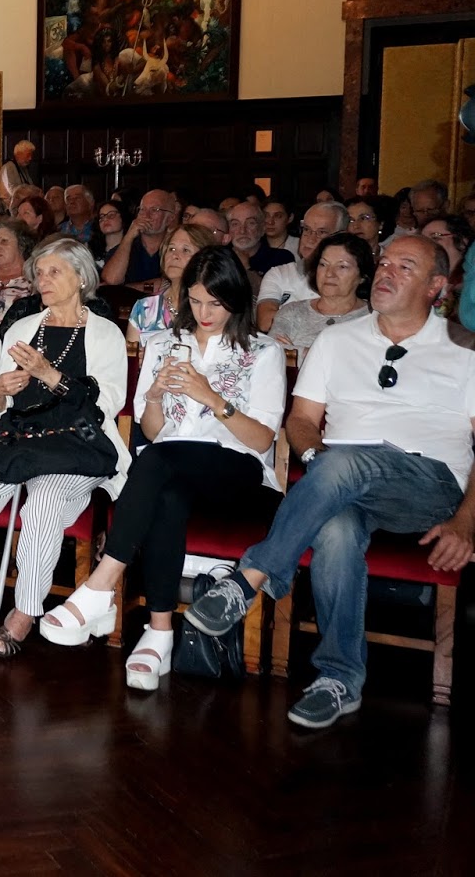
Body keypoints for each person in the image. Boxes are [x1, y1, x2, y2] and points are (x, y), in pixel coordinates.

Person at [185, 235, 475, 728]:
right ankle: (339, 678)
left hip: (429, 483)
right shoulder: (338, 340)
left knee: (345, 464)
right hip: (341, 478)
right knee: (336, 529)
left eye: (405, 267)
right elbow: (301, 421)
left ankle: (249, 578)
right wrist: (321, 463)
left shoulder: (464, 349)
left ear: (436, 287)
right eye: (384, 262)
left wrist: (467, 521)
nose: (386, 272)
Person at [40, 247, 286, 688]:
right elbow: (154, 432)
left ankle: (101, 586)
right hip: (169, 468)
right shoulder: (162, 344)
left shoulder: (263, 351)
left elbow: (262, 440)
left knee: (155, 463)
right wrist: (153, 397)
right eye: (195, 301)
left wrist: (210, 397)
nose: (204, 313)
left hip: (237, 471)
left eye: (215, 303)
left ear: (236, 300)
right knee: (165, 490)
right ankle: (159, 632)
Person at [0, 236, 129, 658]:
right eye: (39, 273)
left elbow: (107, 405)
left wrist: (48, 373)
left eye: (54, 272)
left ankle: (24, 612)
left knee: (43, 504)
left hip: (76, 442)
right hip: (20, 434)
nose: (43, 280)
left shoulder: (105, 333)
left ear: (81, 278)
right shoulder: (23, 328)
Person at [256, 201, 351, 331]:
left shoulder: (347, 278)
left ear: (341, 236)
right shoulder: (279, 273)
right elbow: (266, 322)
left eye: (321, 232)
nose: (310, 239)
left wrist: (286, 319)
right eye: (306, 229)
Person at [270, 233, 373, 351]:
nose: (329, 273)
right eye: (323, 264)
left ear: (362, 276)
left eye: (342, 267)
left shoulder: (373, 317)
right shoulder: (292, 312)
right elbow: (271, 352)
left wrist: (300, 352)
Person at [127, 224, 216, 342]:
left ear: (204, 259)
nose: (174, 256)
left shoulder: (212, 308)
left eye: (185, 250)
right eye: (171, 249)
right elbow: (132, 351)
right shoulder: (144, 308)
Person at [101, 189, 178, 290]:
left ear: (170, 218)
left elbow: (173, 285)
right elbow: (112, 281)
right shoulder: (125, 248)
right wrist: (129, 236)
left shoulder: (175, 249)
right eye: (142, 210)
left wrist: (125, 288)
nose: (146, 215)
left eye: (154, 210)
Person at [226, 200, 295, 291]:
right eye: (235, 224)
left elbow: (276, 294)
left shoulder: (281, 258)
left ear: (262, 229)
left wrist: (246, 268)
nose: (242, 231)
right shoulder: (221, 257)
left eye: (251, 223)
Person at [422, 216, 471, 319]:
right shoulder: (421, 281)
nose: (426, 245)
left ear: (462, 242)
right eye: (422, 240)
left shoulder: (469, 284)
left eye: (435, 237)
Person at [90, 200, 126, 267]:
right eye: (101, 217)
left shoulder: (134, 249)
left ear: (123, 217)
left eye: (111, 215)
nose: (105, 219)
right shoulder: (91, 249)